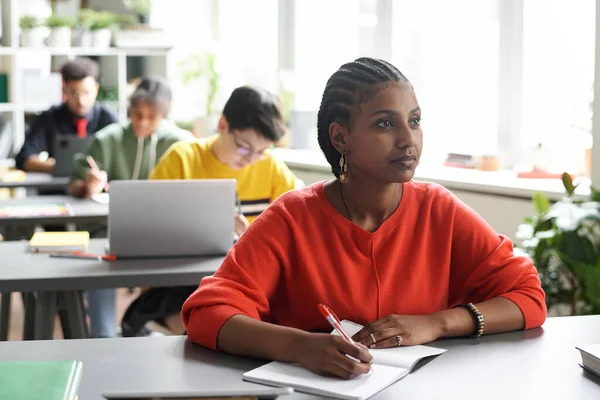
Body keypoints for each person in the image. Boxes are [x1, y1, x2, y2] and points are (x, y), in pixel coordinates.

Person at [181, 57, 547, 379]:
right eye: (386, 124)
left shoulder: (439, 209)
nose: (409, 140)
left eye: (415, 121)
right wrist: (300, 346)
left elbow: (528, 297)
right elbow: (206, 313)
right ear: (341, 137)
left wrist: (436, 323)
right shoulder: (291, 217)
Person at [119, 86, 300, 337]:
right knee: (214, 320)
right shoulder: (183, 159)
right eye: (245, 147)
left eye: (261, 151)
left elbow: (300, 226)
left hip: (244, 287)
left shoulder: (271, 169)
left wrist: (252, 238)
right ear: (223, 125)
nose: (251, 159)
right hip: (179, 287)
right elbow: (146, 228)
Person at [69, 76, 193, 338]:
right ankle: (102, 337)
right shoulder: (106, 139)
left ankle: (149, 328)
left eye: (151, 117)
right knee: (99, 263)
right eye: (137, 114)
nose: (142, 122)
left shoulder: (183, 145)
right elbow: (74, 184)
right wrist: (87, 185)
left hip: (166, 233)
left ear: (165, 116)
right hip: (109, 229)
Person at [15, 57, 118, 173]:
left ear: (96, 89)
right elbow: (23, 159)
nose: (81, 101)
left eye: (86, 93)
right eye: (74, 94)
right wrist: (60, 167)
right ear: (64, 91)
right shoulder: (49, 118)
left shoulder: (109, 119)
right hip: (59, 187)